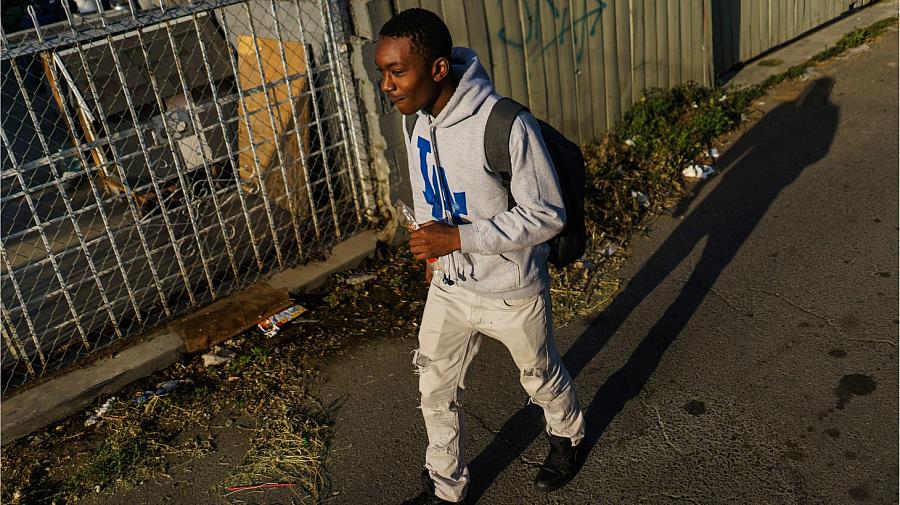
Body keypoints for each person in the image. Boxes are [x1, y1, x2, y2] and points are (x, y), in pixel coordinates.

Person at [374, 8, 586, 504]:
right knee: (434, 387)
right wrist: (436, 257)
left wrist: (458, 240)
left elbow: (548, 214)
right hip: (451, 286)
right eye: (382, 72)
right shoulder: (415, 123)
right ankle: (446, 486)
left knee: (539, 377)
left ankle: (568, 435)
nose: (387, 84)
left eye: (397, 71)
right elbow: (428, 196)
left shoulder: (505, 123)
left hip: (511, 289)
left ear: (438, 69)